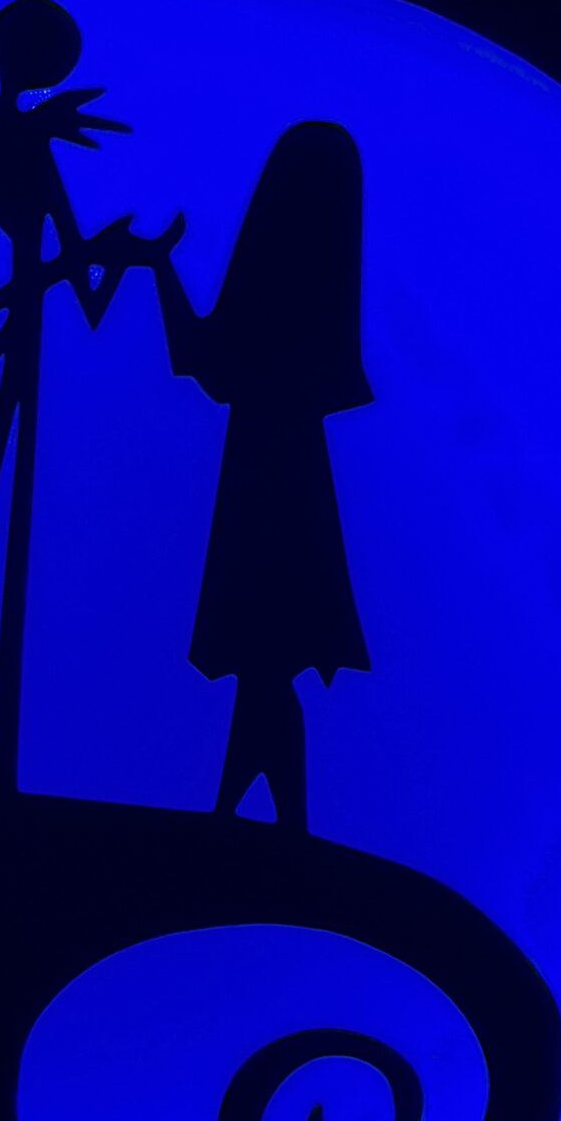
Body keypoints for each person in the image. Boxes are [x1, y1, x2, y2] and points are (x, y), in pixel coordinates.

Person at [148, 120, 372, 829]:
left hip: (264, 469)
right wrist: (159, 266)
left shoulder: (274, 302)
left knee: (264, 655)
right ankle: (261, 817)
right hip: (289, 469)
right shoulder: (314, 313)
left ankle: (263, 819)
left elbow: (203, 363)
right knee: (266, 659)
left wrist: (157, 266)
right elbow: (207, 364)